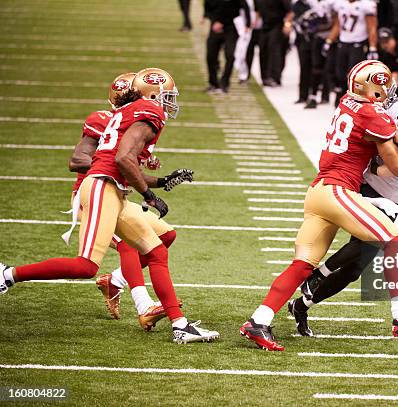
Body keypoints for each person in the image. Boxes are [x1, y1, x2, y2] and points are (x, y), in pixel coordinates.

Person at [0, 68, 219, 344]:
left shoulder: (128, 111)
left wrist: (160, 181)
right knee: (86, 266)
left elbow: (123, 161)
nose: (170, 102)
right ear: (153, 94)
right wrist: (148, 195)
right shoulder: (149, 112)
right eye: (167, 96)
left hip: (114, 189)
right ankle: (7, 274)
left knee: (157, 250)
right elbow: (123, 160)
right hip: (103, 188)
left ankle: (180, 325)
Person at [240, 60, 398, 351]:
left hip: (317, 191)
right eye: (382, 84)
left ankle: (259, 320)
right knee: (395, 240)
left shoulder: (347, 101)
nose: (386, 89)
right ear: (372, 88)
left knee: (301, 265)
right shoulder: (373, 115)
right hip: (337, 191)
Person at [288, 75, 398, 337]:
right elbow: (366, 132)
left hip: (393, 198)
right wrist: (379, 165)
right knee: (377, 242)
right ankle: (320, 279)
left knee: (354, 270)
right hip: (363, 184)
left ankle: (302, 304)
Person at [67, 73, 191, 330]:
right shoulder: (106, 119)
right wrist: (114, 165)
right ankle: (144, 304)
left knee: (165, 237)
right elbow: (79, 161)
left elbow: (128, 162)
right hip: (95, 196)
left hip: (116, 195)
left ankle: (114, 281)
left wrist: (161, 179)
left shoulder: (129, 119)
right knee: (123, 247)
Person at [325, 0, 379, 105]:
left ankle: (355, 101)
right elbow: (338, 25)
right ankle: (341, 97)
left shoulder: (366, 5)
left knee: (354, 75)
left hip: (358, 44)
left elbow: (372, 27)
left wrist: (373, 47)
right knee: (339, 74)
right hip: (343, 42)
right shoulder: (340, 4)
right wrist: (329, 40)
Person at [204, 0, 243, 93]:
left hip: (230, 28)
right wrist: (213, 20)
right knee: (211, 56)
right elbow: (208, 8)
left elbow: (236, 9)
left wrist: (221, 22)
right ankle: (213, 83)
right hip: (215, 27)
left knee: (230, 55)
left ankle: (225, 82)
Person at [255, 0, 292, 87]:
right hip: (264, 25)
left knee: (274, 49)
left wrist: (287, 25)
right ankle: (264, 77)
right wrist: (255, 24)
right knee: (263, 50)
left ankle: (275, 77)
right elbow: (258, 12)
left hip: (277, 25)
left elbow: (290, 12)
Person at [233, 0, 254, 84]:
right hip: (237, 26)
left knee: (243, 52)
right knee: (238, 51)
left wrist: (248, 25)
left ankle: (243, 75)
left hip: (246, 29)